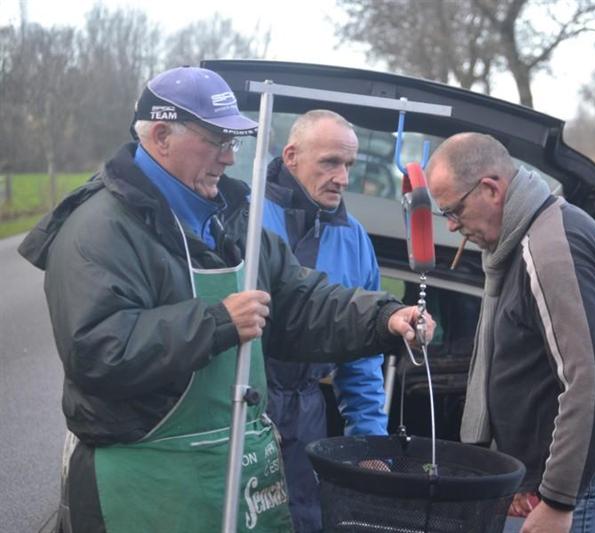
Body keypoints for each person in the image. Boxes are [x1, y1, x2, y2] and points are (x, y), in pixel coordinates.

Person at [18, 66, 432, 533]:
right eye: (217, 140)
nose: (230, 157)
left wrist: (385, 318)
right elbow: (98, 351)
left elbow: (299, 303)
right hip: (142, 482)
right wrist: (218, 322)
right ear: (161, 136)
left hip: (230, 466)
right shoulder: (98, 228)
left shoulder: (232, 220)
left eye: (233, 142)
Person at [425, 132, 595, 533]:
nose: (452, 225)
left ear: (491, 189)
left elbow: (594, 381)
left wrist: (558, 500)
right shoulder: (522, 237)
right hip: (572, 480)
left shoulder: (552, 250)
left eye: (454, 210)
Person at [260, 109, 387, 532]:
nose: (343, 178)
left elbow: (362, 355)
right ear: (291, 156)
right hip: (243, 406)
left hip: (307, 414)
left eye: (349, 165)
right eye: (331, 162)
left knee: (302, 520)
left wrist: (369, 442)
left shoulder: (355, 240)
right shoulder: (245, 218)